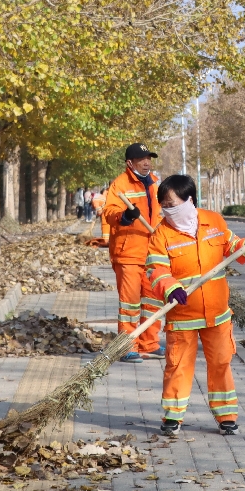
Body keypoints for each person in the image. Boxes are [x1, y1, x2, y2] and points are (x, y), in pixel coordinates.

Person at [145, 174, 245, 437]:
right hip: (182, 315)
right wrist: (171, 287)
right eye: (164, 206)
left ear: (190, 200)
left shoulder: (214, 221)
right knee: (178, 366)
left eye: (172, 204)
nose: (168, 210)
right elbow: (156, 270)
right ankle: (172, 417)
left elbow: (232, 247)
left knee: (221, 363)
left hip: (217, 314)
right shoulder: (161, 234)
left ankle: (227, 417)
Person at [103, 144, 165, 363]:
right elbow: (109, 212)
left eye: (149, 158)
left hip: (153, 252)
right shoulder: (120, 184)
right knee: (130, 303)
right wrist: (125, 216)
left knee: (152, 301)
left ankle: (150, 343)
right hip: (128, 253)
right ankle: (127, 347)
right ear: (130, 163)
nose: (147, 163)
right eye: (142, 159)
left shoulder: (155, 183)